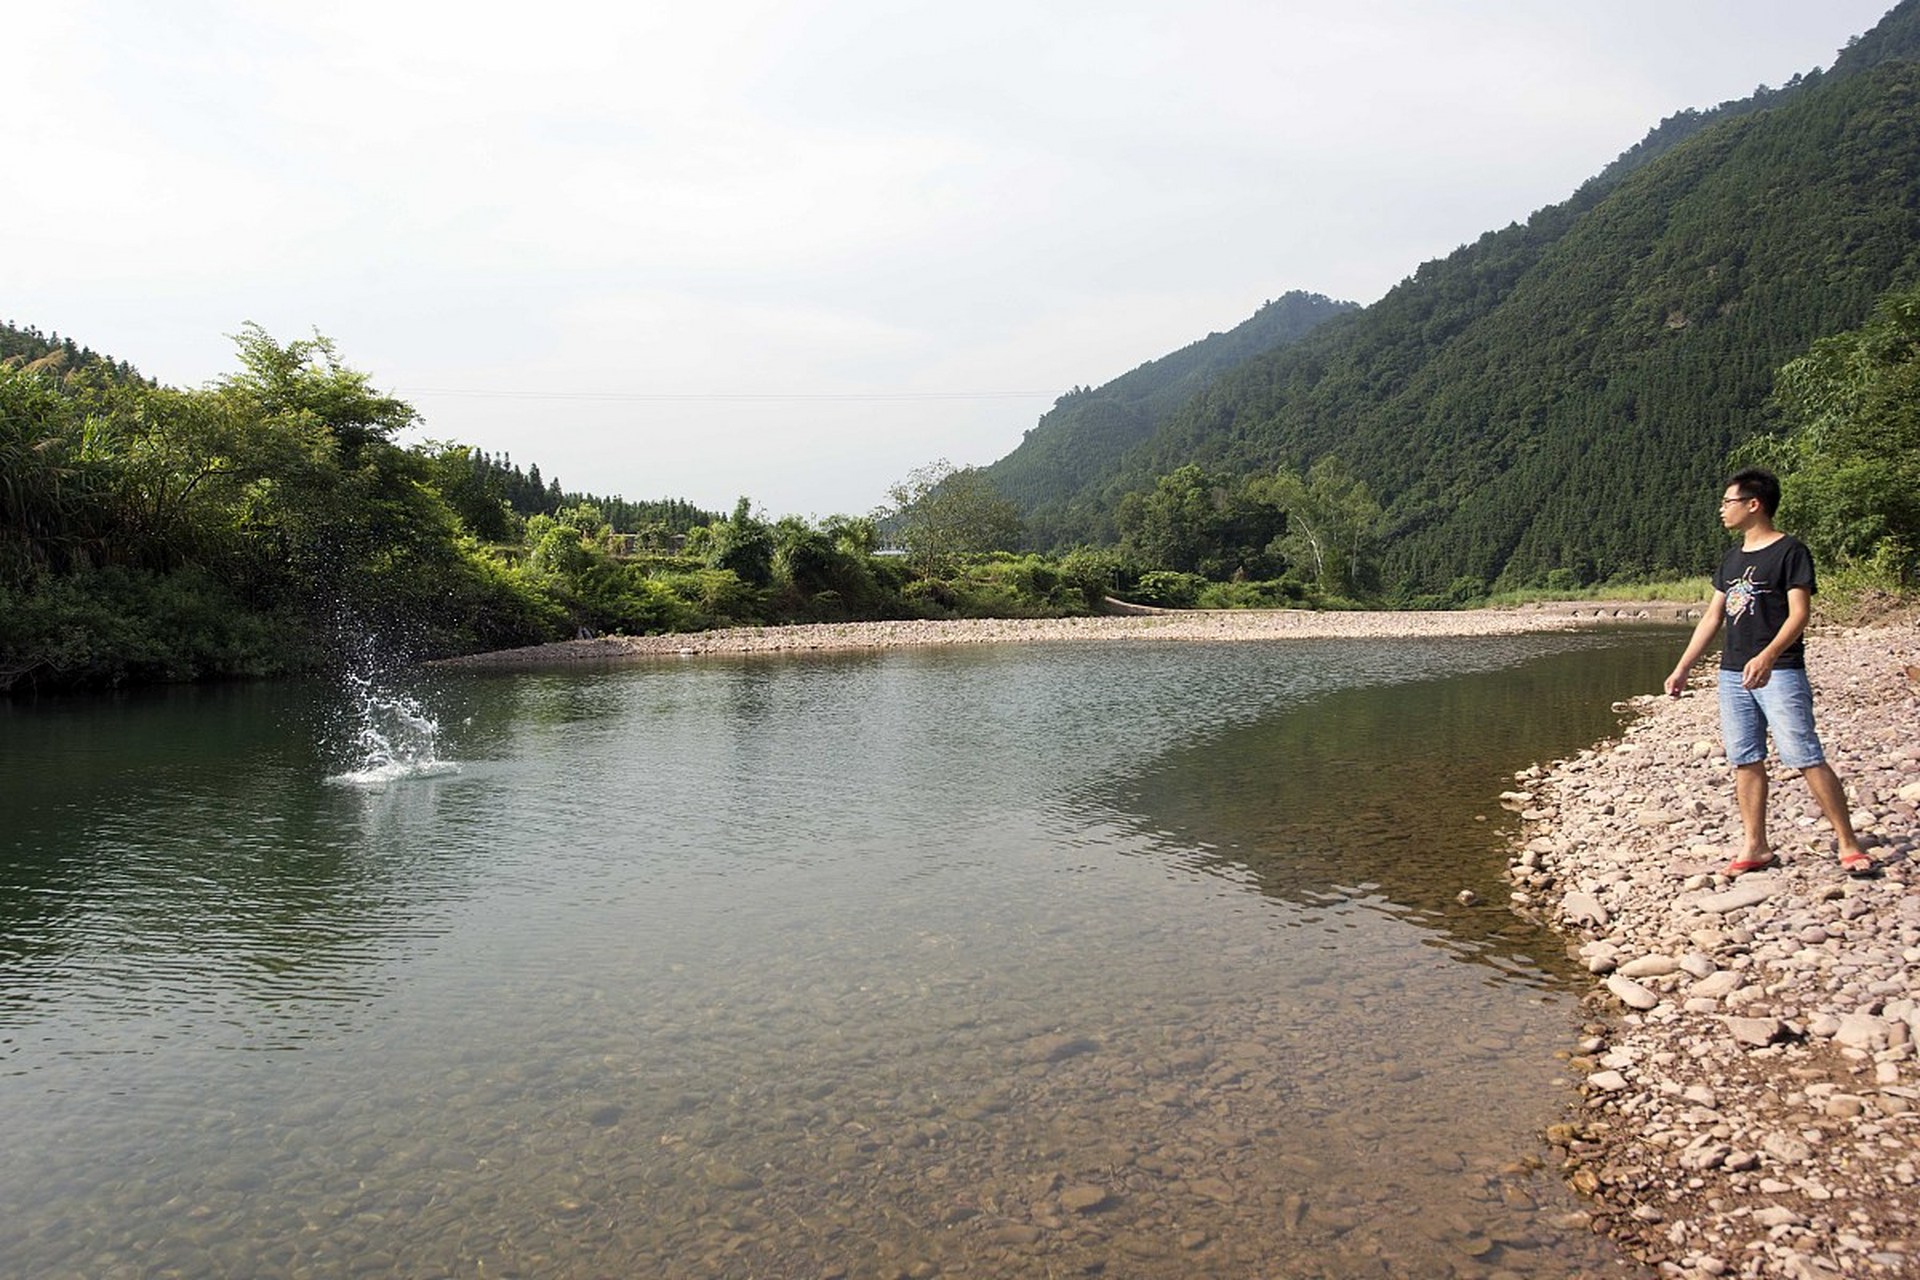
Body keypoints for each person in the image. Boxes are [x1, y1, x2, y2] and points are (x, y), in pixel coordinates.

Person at [1663, 467, 1874, 878]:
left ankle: (1848, 844)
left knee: (1805, 755)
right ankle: (1755, 846)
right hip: (1731, 674)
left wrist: (1769, 656)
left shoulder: (1790, 552)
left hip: (1780, 672)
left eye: (1728, 502)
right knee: (1746, 759)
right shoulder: (1732, 558)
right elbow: (1713, 617)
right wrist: (1683, 667)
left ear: (1753, 504)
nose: (1722, 510)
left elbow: (1800, 615)